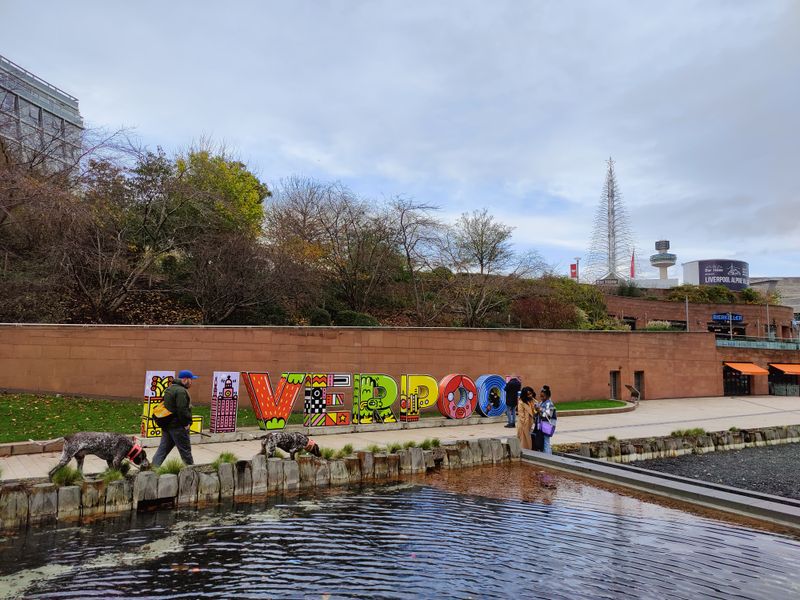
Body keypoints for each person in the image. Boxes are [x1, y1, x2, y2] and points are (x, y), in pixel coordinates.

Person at [152, 370, 198, 466]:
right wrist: (186, 423)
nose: (192, 382)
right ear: (185, 380)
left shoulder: (170, 388)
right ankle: (191, 472)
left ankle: (152, 470)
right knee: (185, 452)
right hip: (178, 427)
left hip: (167, 425)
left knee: (162, 450)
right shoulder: (181, 391)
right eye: (191, 380)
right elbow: (182, 410)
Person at [538, 385, 557, 454]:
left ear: (548, 396)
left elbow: (548, 415)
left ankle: (548, 456)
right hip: (543, 424)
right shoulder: (542, 403)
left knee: (546, 441)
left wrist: (540, 410)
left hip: (548, 425)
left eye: (543, 396)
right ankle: (546, 454)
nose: (541, 398)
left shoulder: (550, 404)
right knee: (544, 440)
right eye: (540, 396)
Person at [516, 386, 536, 450]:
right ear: (525, 395)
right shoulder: (521, 402)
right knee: (524, 441)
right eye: (528, 394)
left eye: (531, 393)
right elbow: (521, 415)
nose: (530, 395)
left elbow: (534, 410)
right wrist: (525, 422)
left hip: (530, 424)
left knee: (529, 440)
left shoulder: (532, 400)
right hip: (524, 425)